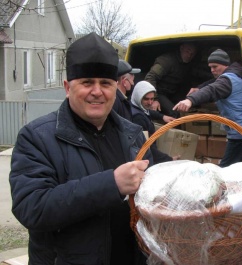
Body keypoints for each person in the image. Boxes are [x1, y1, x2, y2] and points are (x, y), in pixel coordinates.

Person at [9, 32, 152, 265]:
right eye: (87, 83)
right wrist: (111, 184)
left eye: (105, 83)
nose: (97, 91)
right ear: (67, 87)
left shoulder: (132, 134)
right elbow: (32, 208)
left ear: (115, 88)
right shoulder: (37, 137)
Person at [173, 49, 242, 167]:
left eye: (215, 66)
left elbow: (212, 89)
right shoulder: (234, 74)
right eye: (210, 67)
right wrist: (199, 88)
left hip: (239, 134)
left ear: (225, 64)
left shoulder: (227, 80)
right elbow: (213, 82)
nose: (212, 70)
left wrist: (190, 100)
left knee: (225, 169)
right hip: (241, 132)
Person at [131, 80, 180, 163]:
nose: (150, 103)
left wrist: (163, 116)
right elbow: (147, 147)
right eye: (146, 99)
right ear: (138, 97)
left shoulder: (137, 108)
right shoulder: (138, 118)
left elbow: (148, 112)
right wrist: (169, 159)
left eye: (152, 99)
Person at [145, 42, 197, 118]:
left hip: (173, 93)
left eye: (192, 54)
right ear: (181, 48)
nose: (189, 55)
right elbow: (150, 77)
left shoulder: (188, 64)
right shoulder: (167, 61)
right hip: (158, 93)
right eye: (187, 51)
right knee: (174, 113)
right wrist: (154, 99)